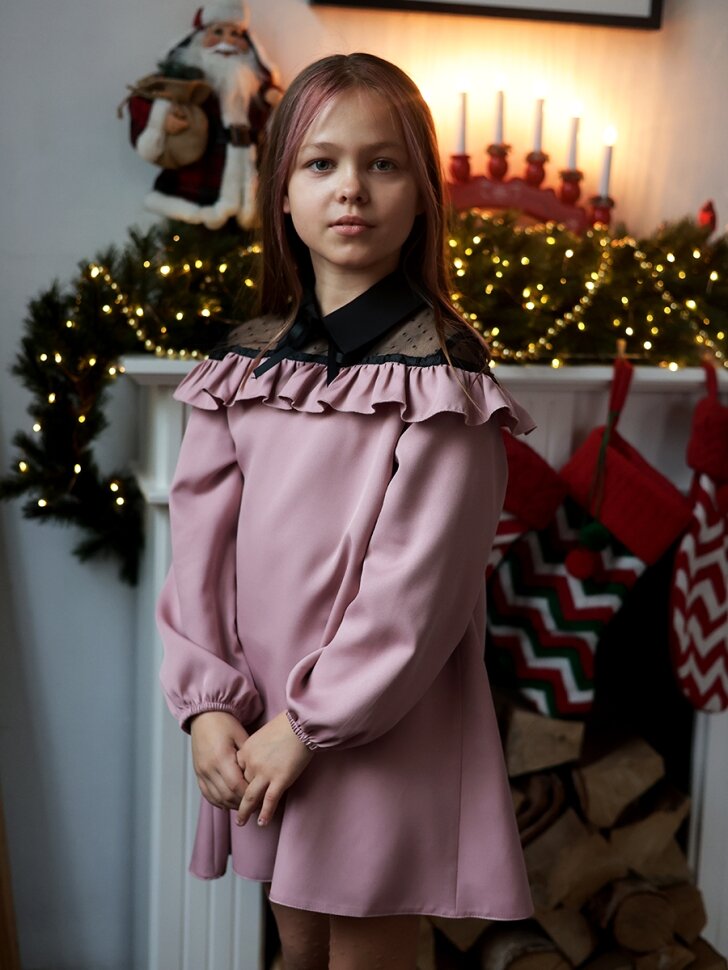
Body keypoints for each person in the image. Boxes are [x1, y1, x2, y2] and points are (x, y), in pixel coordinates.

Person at [156, 51, 535, 970]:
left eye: (383, 163)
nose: (351, 188)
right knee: (299, 946)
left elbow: (419, 590)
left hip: (379, 724)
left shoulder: (443, 378)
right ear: (282, 194)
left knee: (367, 951)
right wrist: (207, 705)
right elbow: (200, 552)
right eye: (321, 163)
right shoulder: (241, 367)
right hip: (257, 723)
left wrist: (311, 723)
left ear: (422, 195)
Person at [127, 1, 282, 228]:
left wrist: (276, 103)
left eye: (235, 34)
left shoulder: (253, 90)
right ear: (199, 37)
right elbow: (140, 100)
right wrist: (162, 118)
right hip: (193, 190)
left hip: (244, 194)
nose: (227, 41)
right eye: (218, 32)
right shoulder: (184, 80)